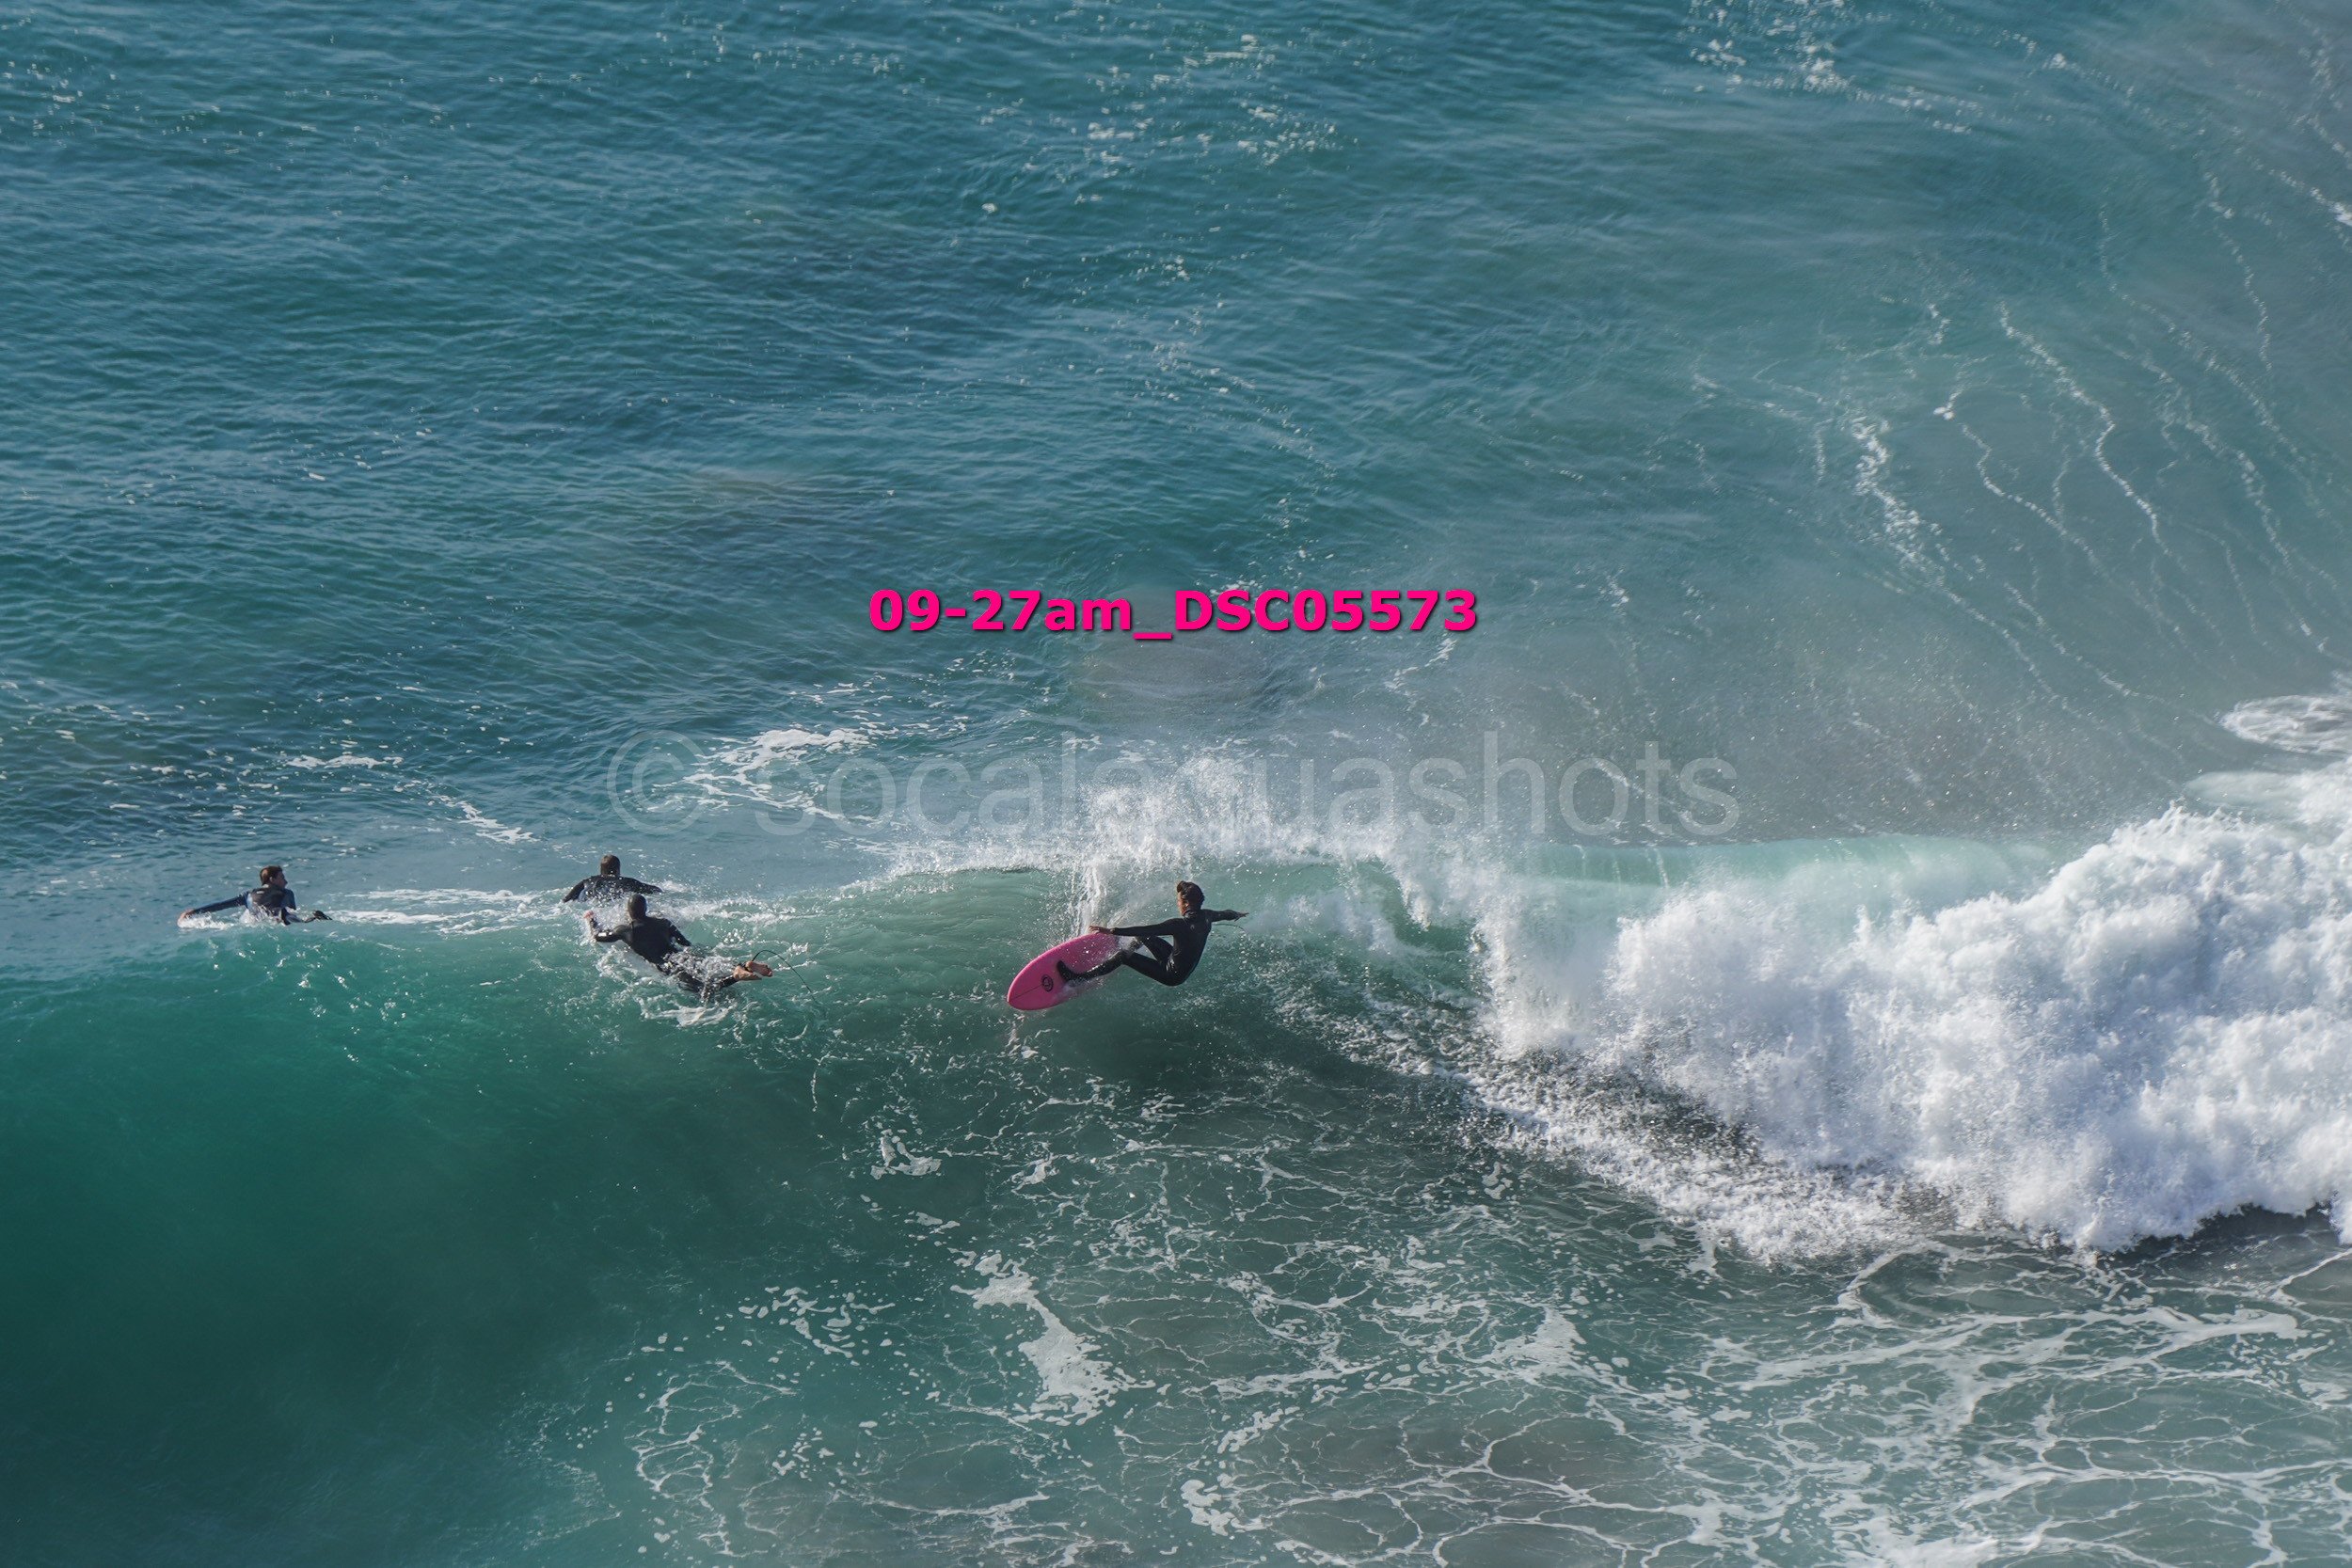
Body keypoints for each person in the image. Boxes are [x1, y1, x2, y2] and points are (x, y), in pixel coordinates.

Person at [1059, 880, 1246, 989]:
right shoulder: (1207, 916)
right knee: (1142, 939)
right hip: (1177, 962)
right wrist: (1237, 914)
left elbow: (1146, 929)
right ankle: (1127, 953)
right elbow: (1226, 914)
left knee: (1124, 956)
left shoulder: (1180, 924)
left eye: (1179, 901)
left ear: (1186, 903)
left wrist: (1112, 931)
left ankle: (1077, 979)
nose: (1178, 905)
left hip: (1171, 975)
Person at [584, 894, 771, 998]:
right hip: (681, 955)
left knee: (703, 990)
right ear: (646, 909)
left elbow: (598, 936)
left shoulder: (625, 930)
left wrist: (591, 920)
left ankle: (736, 976)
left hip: (667, 965)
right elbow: (685, 943)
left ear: (628, 912)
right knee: (712, 966)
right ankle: (745, 965)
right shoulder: (663, 922)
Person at [180, 864, 330, 925]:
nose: (286, 881)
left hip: (257, 920)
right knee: (305, 917)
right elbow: (294, 912)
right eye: (282, 878)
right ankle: (316, 917)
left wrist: (194, 912)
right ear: (272, 879)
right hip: (280, 917)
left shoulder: (248, 895)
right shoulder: (287, 892)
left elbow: (221, 905)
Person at [562, 854, 663, 904]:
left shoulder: (587, 881)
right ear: (618, 870)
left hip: (591, 901)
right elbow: (656, 890)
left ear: (601, 870)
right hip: (613, 903)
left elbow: (566, 900)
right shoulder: (628, 882)